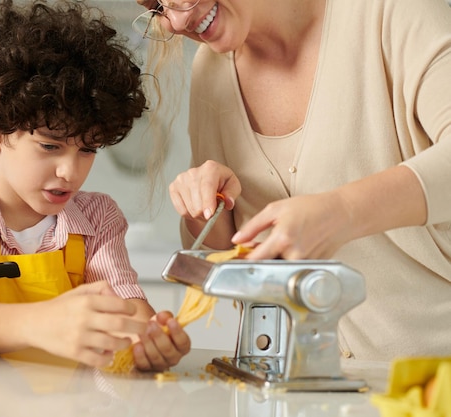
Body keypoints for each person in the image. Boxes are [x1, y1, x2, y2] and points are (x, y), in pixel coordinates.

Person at [135, 0, 451, 361]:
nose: (176, 21)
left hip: (432, 385)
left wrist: (343, 211)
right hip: (294, 392)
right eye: (158, 6)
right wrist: (205, 209)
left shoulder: (391, 12)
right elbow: (223, 259)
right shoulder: (210, 70)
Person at [0, 0, 190, 371]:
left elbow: (126, 302)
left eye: (87, 149)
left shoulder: (97, 217)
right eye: (50, 146)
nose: (70, 172)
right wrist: (44, 323)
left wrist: (148, 339)